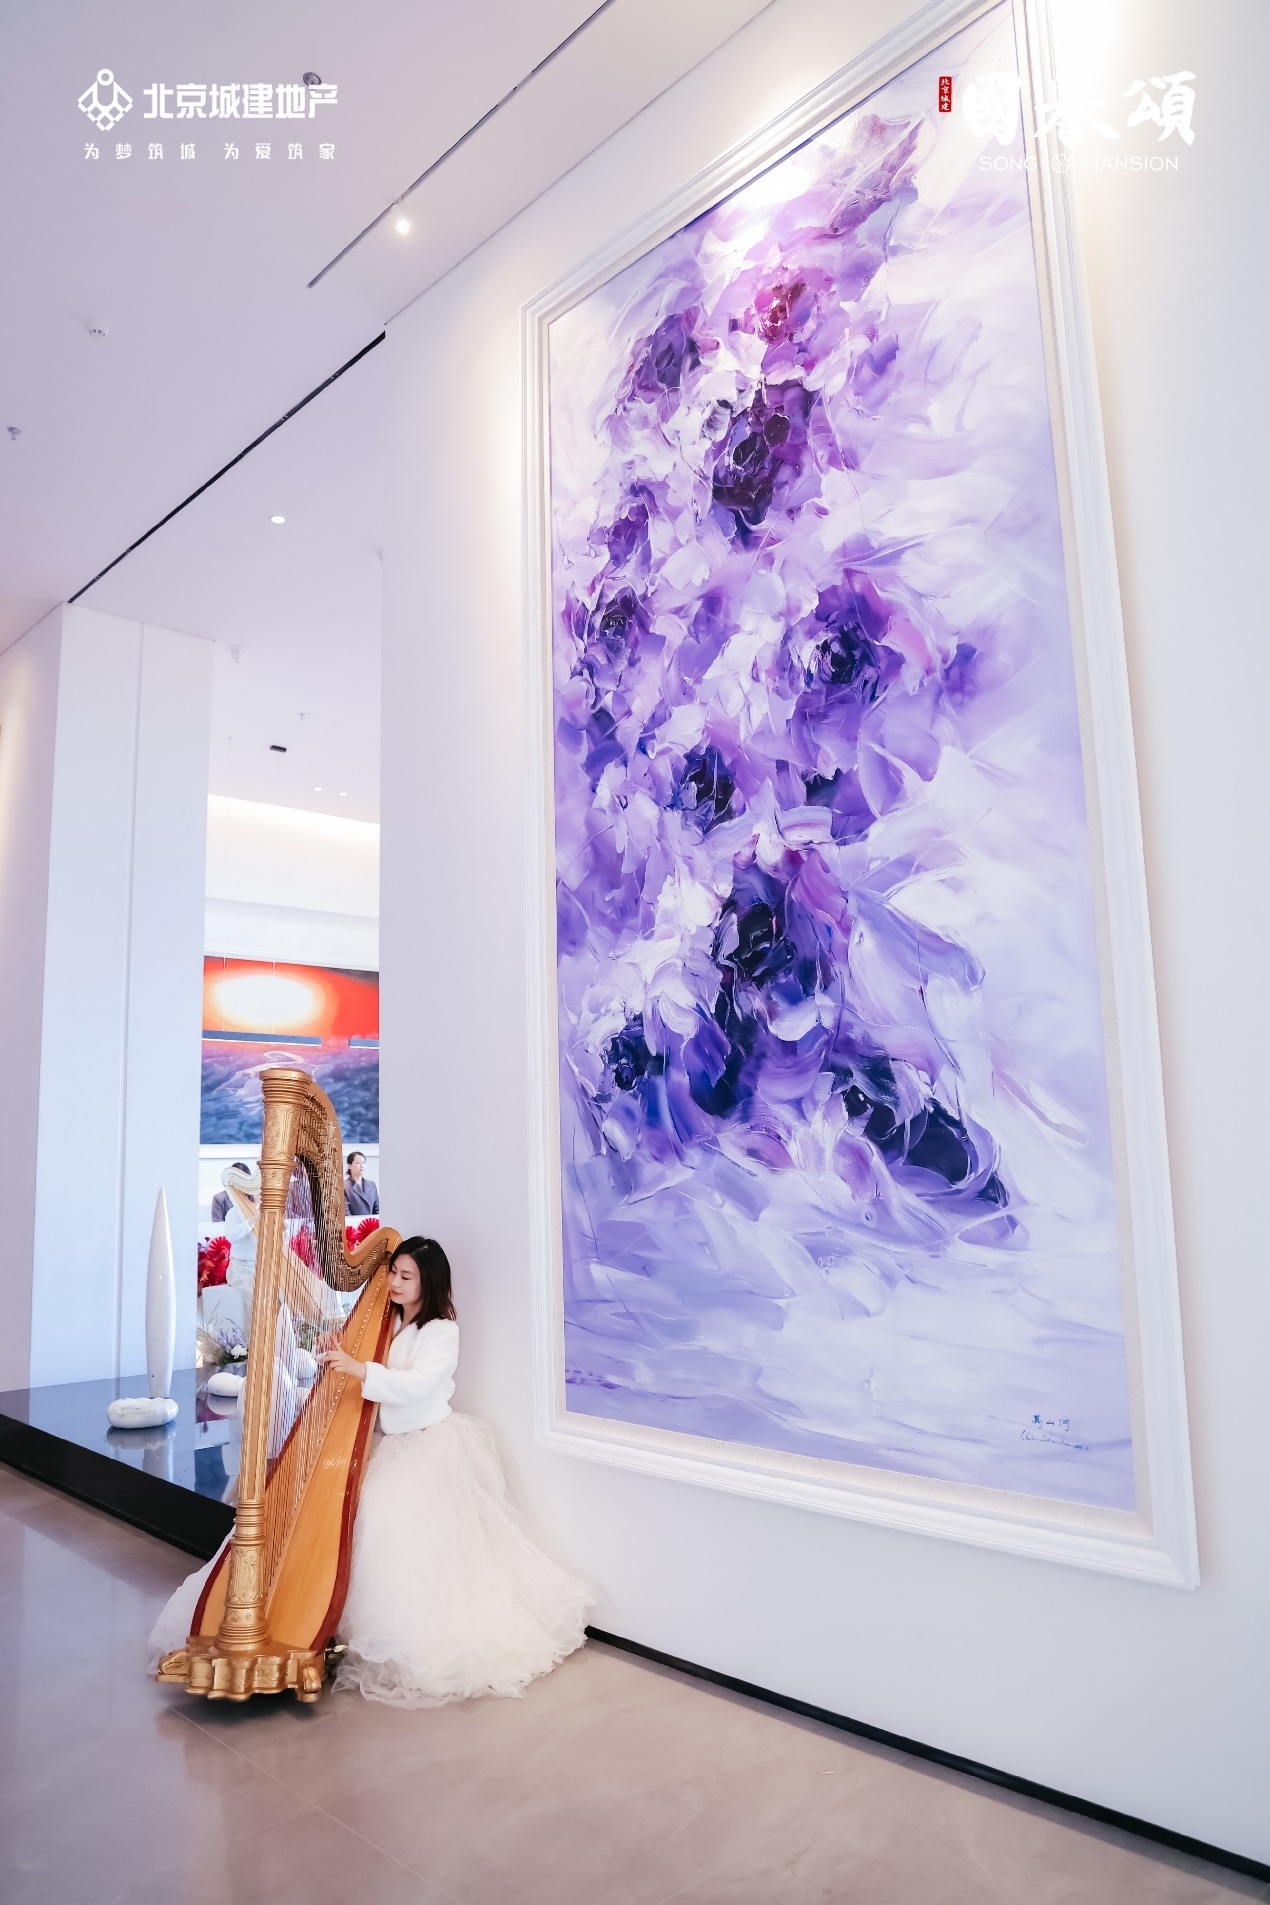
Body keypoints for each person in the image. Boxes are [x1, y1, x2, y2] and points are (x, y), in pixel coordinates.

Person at [149, 1236, 591, 1707]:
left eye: (406, 1276)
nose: (395, 1283)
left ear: (429, 1282)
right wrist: (335, 1345)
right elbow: (360, 1355)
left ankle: (359, 1626)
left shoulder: (441, 1331)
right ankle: (311, 1615)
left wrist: (358, 1369)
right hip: (380, 1440)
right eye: (393, 1273)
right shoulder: (386, 1316)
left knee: (378, 1511)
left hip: (422, 1442)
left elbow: (416, 1386)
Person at [344, 1150, 379, 1217]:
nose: (362, 1165)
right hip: (353, 1223)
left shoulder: (372, 1185)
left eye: (363, 1162)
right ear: (349, 1166)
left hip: (372, 1222)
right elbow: (346, 1213)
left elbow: (377, 1210)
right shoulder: (345, 1186)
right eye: (358, 1163)